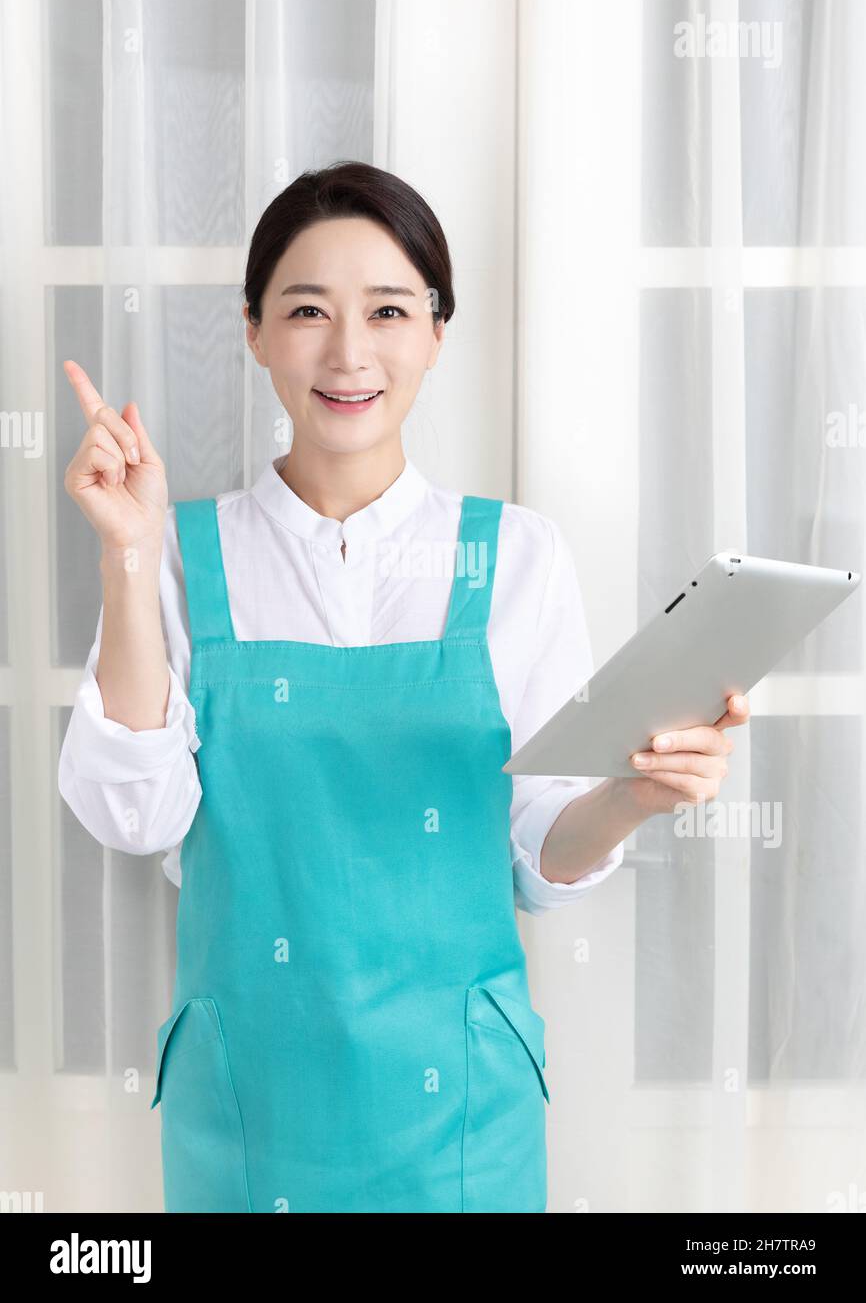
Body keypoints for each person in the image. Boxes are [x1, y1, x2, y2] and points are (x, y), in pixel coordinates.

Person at [58, 161, 749, 1213]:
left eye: (387, 309)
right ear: (251, 329)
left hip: (462, 1120)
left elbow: (537, 851)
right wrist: (125, 554)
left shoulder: (514, 555)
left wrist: (635, 794)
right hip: (250, 1110)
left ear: (435, 330)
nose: (348, 352)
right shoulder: (178, 554)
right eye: (305, 310)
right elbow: (134, 812)